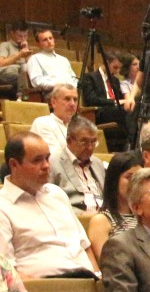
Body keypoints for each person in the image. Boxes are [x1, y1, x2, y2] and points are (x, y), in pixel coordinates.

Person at [0, 133, 99, 279]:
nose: (46, 166)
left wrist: (98, 277)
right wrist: (44, 289)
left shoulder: (57, 194)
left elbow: (85, 247)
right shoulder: (3, 206)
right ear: (14, 164)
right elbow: (7, 272)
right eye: (37, 160)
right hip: (45, 286)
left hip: (88, 280)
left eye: (47, 158)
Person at [86, 151, 142, 259]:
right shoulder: (101, 221)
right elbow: (108, 262)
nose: (135, 183)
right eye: (129, 177)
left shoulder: (145, 217)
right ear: (114, 180)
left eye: (139, 178)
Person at [48, 116, 106, 212]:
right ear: (69, 141)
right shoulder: (53, 162)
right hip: (74, 216)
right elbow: (49, 201)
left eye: (93, 142)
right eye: (84, 142)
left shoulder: (97, 163)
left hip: (104, 215)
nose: (90, 147)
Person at [25, 28, 77, 93]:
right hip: (51, 92)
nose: (49, 41)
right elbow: (36, 81)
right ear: (38, 44)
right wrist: (58, 86)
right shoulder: (34, 59)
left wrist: (73, 87)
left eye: (50, 38)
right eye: (45, 40)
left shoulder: (64, 60)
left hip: (71, 91)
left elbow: (73, 78)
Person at [0, 21, 32, 93]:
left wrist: (26, 49)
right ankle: (23, 95)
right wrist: (19, 55)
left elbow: (31, 66)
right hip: (7, 73)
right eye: (20, 36)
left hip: (21, 74)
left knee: (27, 70)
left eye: (25, 36)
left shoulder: (25, 47)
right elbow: (1, 63)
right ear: (12, 33)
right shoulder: (5, 45)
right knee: (23, 69)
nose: (23, 38)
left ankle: (23, 95)